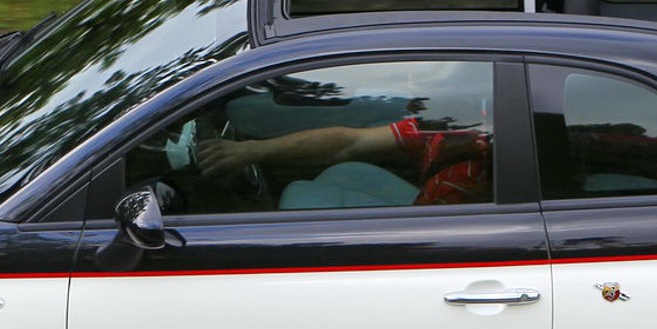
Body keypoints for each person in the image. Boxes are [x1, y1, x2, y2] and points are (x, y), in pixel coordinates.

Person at [195, 115, 491, 207]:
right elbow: (350, 142)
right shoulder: (451, 122)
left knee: (300, 197)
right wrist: (252, 151)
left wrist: (251, 152)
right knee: (344, 173)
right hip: (431, 204)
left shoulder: (463, 174)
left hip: (438, 230)